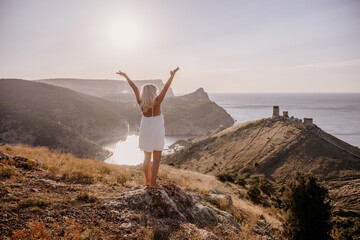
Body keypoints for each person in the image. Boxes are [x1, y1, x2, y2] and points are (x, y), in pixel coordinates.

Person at [116, 67, 180, 189]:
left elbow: (134, 88)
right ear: (154, 92)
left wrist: (125, 76)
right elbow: (166, 87)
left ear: (144, 93)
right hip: (156, 130)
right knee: (156, 159)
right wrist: (172, 75)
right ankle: (154, 183)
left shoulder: (141, 102)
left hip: (145, 130)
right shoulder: (158, 101)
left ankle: (148, 181)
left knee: (147, 157)